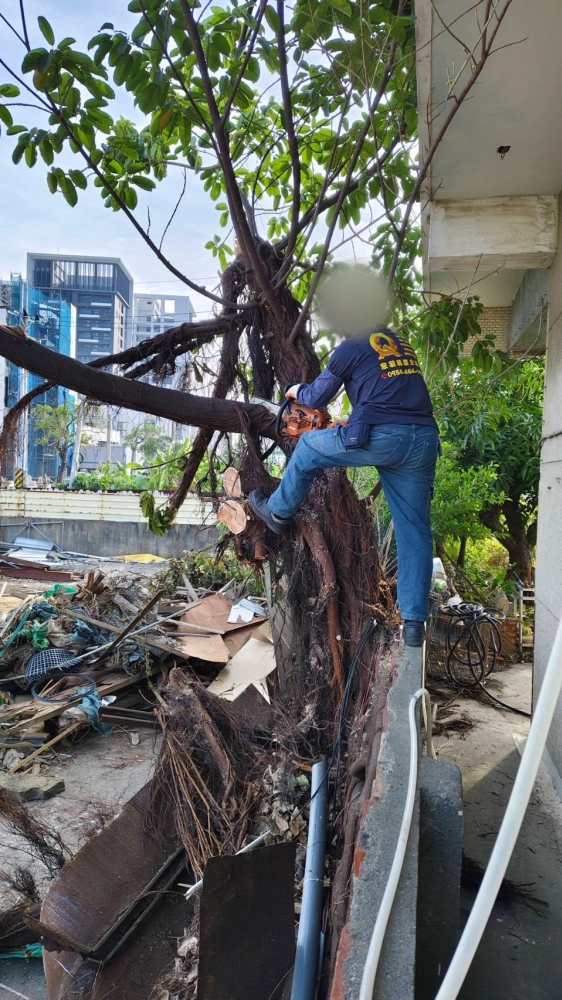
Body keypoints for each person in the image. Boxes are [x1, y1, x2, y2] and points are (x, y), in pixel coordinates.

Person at [249, 268, 439, 647]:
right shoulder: (399, 344)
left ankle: (278, 512)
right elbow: (390, 396)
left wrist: (294, 390)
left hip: (384, 438)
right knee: (414, 528)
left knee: (306, 448)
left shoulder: (351, 347)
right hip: (422, 440)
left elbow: (316, 398)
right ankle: (415, 622)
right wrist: (357, 417)